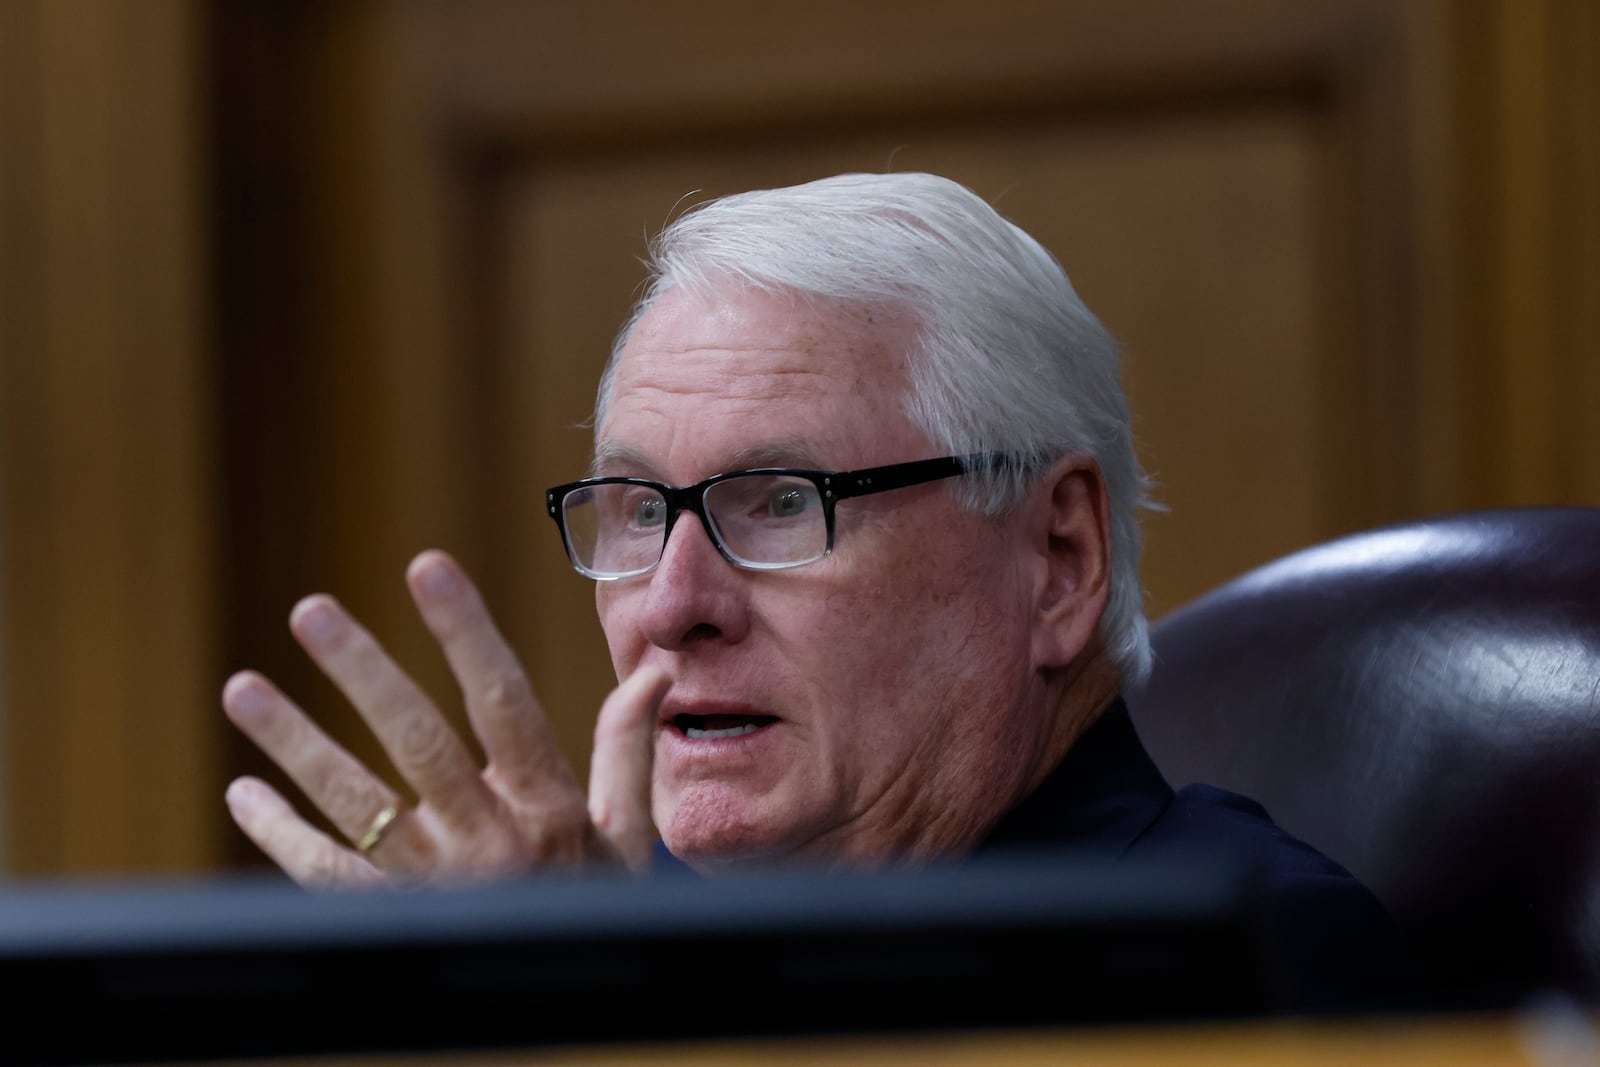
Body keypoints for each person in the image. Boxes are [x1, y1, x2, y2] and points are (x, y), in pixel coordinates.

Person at [222, 171, 1407, 1004]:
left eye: (783, 501)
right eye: (640, 510)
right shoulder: (616, 904)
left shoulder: (1261, 958)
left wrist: (601, 1017)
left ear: (1059, 559)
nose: (672, 602)